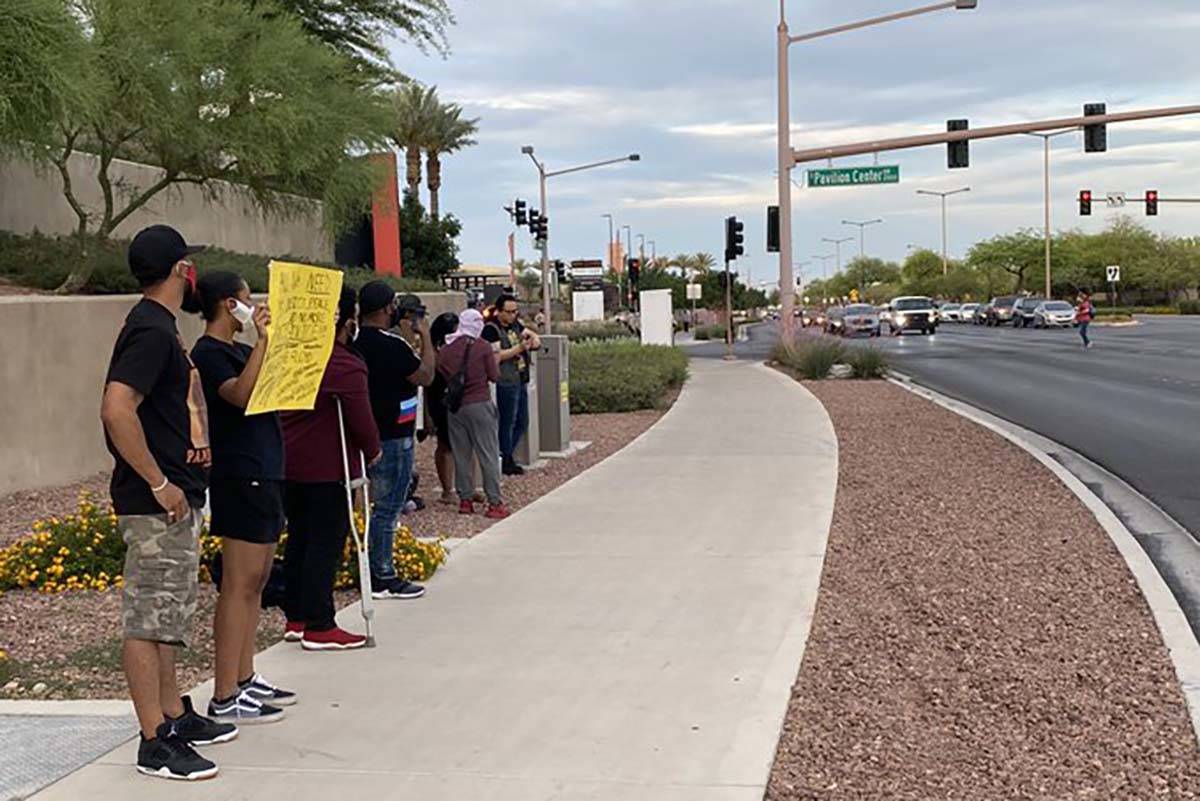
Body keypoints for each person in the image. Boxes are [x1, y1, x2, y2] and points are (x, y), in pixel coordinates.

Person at [100, 225, 234, 781]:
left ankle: (173, 713)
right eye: (190, 265)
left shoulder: (156, 327)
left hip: (175, 498)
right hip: (157, 502)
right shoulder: (152, 332)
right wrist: (158, 481)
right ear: (183, 271)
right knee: (147, 619)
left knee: (166, 617)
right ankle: (154, 739)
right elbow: (116, 409)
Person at [191, 272, 293, 725]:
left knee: (257, 581)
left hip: (266, 468)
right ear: (230, 305)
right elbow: (240, 394)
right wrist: (264, 343)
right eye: (249, 300)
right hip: (240, 474)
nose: (256, 308)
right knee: (238, 582)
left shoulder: (239, 350)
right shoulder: (209, 353)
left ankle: (245, 676)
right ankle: (225, 691)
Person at [281, 287, 382, 651]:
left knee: (300, 541)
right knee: (325, 543)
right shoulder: (343, 364)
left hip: (288, 464)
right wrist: (372, 450)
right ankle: (320, 624)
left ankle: (297, 616)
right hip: (327, 468)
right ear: (343, 318)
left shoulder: (291, 356)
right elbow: (360, 418)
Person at [354, 284, 434, 600]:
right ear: (388, 309)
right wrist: (425, 335)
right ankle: (382, 574)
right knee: (388, 508)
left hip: (365, 431)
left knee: (369, 505)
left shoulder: (354, 342)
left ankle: (367, 565)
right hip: (395, 434)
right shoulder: (394, 345)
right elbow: (426, 375)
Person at [436, 309, 509, 519]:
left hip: (456, 406)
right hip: (480, 403)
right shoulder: (483, 347)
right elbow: (494, 376)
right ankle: (494, 502)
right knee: (488, 453)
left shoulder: (447, 349)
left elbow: (441, 369)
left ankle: (465, 500)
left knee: (461, 454)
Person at [483, 294, 540, 476]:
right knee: (507, 421)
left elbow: (531, 338)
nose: (513, 315)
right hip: (505, 381)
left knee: (522, 421)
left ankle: (506, 453)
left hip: (520, 378)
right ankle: (505, 458)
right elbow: (496, 357)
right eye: (508, 312)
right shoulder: (491, 329)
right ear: (499, 311)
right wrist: (519, 349)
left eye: (515, 311)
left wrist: (533, 338)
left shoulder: (516, 326)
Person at [426, 312, 460, 504]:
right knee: (445, 444)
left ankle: (460, 487)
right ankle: (448, 489)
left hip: (453, 397)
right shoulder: (434, 351)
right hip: (439, 398)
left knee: (458, 445)